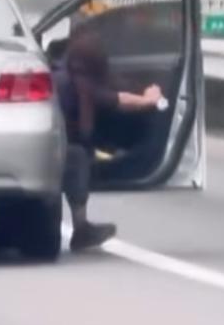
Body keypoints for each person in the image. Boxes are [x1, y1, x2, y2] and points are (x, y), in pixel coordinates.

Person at [54, 27, 164, 251]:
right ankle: (81, 227)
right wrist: (148, 100)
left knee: (78, 153)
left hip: (43, 150)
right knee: (77, 158)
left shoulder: (68, 76)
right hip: (51, 153)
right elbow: (116, 98)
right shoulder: (75, 86)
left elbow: (113, 91)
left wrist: (141, 94)